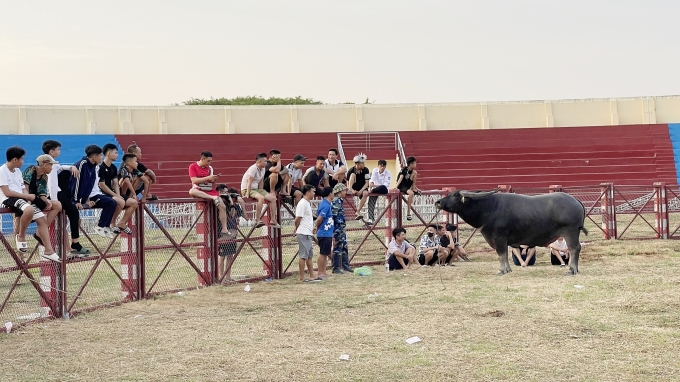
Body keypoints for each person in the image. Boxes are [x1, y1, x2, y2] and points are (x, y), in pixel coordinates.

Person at [0, 147, 61, 262]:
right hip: (8, 199)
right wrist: (28, 197)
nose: (23, 161)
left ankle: (49, 250)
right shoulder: (2, 171)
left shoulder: (18, 171)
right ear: (14, 160)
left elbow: (23, 188)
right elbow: (7, 192)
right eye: (21, 159)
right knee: (28, 210)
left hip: (24, 199)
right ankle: (21, 236)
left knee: (42, 219)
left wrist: (29, 197)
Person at [42, 139, 90, 256]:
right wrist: (54, 199)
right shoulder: (50, 163)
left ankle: (71, 246)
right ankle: (75, 243)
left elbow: (60, 167)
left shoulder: (51, 161)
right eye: (58, 150)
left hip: (55, 192)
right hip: (54, 193)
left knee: (70, 214)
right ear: (52, 151)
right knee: (73, 212)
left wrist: (70, 167)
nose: (60, 152)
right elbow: (52, 183)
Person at [70, 145, 119, 239]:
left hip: (87, 196)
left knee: (112, 202)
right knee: (111, 202)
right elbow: (75, 183)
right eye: (100, 155)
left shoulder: (94, 166)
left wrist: (87, 200)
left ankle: (104, 226)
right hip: (72, 197)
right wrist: (76, 201)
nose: (102, 157)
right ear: (94, 157)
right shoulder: (82, 164)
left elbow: (89, 185)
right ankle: (101, 226)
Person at [187, 151, 232, 238]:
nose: (209, 163)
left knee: (222, 206)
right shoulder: (193, 166)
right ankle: (213, 197)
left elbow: (211, 181)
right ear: (202, 159)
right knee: (191, 191)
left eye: (210, 161)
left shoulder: (210, 168)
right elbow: (194, 180)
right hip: (198, 189)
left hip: (209, 189)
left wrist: (214, 179)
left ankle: (224, 229)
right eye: (208, 161)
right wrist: (208, 177)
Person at [99, 143, 137, 235]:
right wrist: (115, 195)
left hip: (113, 193)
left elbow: (116, 183)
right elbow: (102, 185)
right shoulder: (101, 167)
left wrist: (118, 195)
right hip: (102, 194)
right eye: (115, 153)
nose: (117, 155)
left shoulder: (113, 167)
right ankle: (112, 223)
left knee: (134, 203)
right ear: (108, 154)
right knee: (121, 202)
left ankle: (122, 223)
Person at [241, 153, 278, 229]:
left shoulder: (263, 169)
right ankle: (257, 220)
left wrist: (262, 190)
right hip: (247, 188)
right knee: (261, 198)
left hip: (256, 189)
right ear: (259, 161)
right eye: (264, 161)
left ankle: (273, 220)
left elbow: (261, 181)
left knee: (273, 199)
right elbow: (249, 181)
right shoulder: (253, 168)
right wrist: (247, 194)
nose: (266, 163)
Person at [216, 184, 242, 283]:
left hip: (233, 233)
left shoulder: (233, 205)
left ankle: (228, 276)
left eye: (228, 193)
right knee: (222, 256)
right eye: (224, 193)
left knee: (230, 256)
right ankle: (221, 277)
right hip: (223, 234)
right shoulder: (221, 204)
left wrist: (232, 202)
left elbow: (237, 215)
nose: (226, 195)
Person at [295, 185, 322, 282]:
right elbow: (298, 218)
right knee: (303, 255)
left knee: (309, 255)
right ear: (307, 192)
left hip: (308, 232)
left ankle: (312, 275)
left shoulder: (307, 203)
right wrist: (297, 228)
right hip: (303, 233)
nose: (314, 193)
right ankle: (301, 277)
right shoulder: (302, 204)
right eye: (312, 191)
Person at [331, 183, 353, 274]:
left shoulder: (339, 200)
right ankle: (336, 267)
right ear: (339, 191)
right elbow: (334, 215)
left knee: (344, 245)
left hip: (340, 227)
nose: (345, 192)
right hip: (337, 227)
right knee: (338, 246)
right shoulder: (336, 201)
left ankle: (345, 265)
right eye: (344, 190)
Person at [315, 186, 334, 279]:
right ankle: (320, 272)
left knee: (326, 253)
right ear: (330, 193)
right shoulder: (325, 205)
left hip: (327, 233)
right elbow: (319, 218)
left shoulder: (326, 204)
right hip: (324, 233)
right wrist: (317, 227)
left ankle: (323, 271)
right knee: (323, 253)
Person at [366, 159, 392, 226]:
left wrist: (374, 186)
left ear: (385, 167)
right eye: (381, 166)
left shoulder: (388, 173)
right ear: (378, 166)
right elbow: (372, 180)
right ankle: (371, 219)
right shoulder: (375, 170)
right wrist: (370, 187)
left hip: (383, 190)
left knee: (382, 187)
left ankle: (373, 190)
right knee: (371, 201)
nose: (382, 168)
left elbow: (386, 185)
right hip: (375, 190)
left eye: (384, 166)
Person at [395, 156, 420, 221]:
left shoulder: (413, 171)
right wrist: (396, 187)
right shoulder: (404, 169)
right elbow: (400, 178)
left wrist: (416, 188)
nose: (415, 165)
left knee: (415, 173)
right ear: (411, 164)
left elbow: (411, 180)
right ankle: (408, 213)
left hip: (407, 185)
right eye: (414, 163)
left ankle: (414, 188)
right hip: (402, 186)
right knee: (411, 193)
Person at [347, 153, 370, 221]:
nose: (363, 164)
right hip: (353, 187)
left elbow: (367, 183)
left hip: (362, 187)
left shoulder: (366, 170)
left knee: (366, 193)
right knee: (353, 175)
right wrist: (352, 190)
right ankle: (350, 190)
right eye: (362, 163)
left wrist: (360, 191)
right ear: (357, 164)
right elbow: (348, 183)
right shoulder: (351, 170)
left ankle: (358, 211)